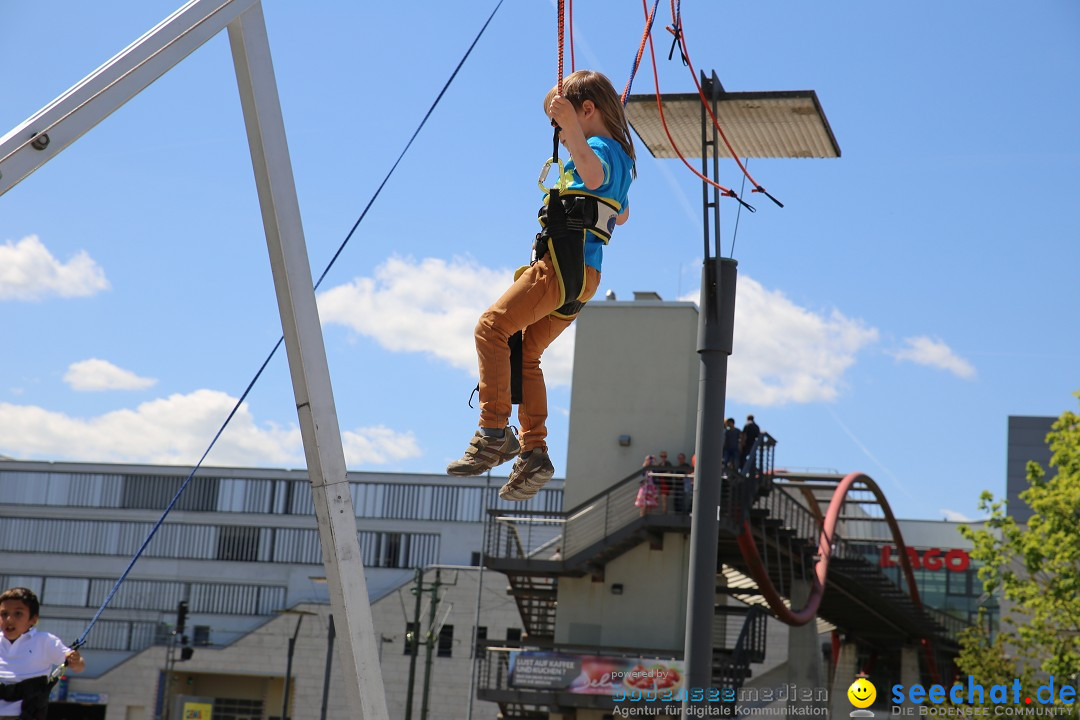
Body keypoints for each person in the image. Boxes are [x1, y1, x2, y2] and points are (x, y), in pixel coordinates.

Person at [446, 70, 636, 502]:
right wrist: (571, 130)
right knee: (526, 353)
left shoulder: (599, 151)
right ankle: (534, 450)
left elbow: (590, 176)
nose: (564, 140)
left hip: (560, 267)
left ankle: (494, 430)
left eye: (563, 128)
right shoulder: (620, 160)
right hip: (584, 278)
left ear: (586, 111)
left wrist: (572, 130)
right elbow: (620, 214)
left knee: (491, 327)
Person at [0, 587, 85, 720]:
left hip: (26, 714)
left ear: (33, 619)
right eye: (4, 614)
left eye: (18, 614)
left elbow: (79, 667)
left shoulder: (44, 641)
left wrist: (75, 660)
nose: (9, 619)